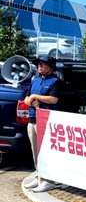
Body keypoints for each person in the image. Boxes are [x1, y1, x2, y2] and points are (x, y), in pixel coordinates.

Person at [23, 55, 62, 193]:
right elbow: (26, 98)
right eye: (39, 64)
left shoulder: (55, 82)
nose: (40, 67)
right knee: (35, 150)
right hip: (32, 119)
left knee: (45, 150)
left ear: (50, 67)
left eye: (43, 64)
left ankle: (48, 180)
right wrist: (31, 100)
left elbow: (53, 99)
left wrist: (36, 97)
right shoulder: (35, 81)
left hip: (46, 121)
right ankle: (39, 174)